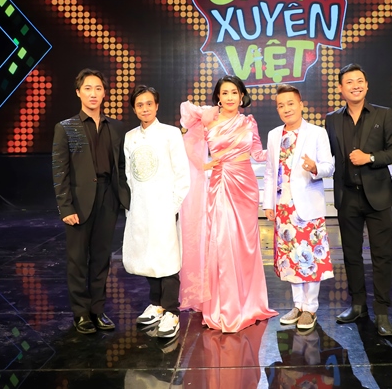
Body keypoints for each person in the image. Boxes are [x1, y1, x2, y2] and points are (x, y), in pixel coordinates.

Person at [179, 75, 277, 332]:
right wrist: (204, 165)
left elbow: (257, 154)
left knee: (246, 246)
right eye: (225, 93)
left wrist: (282, 148)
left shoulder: (249, 122)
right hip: (221, 184)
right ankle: (224, 308)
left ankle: (249, 303)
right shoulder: (208, 120)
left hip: (246, 187)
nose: (230, 97)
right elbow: (188, 145)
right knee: (223, 243)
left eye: (234, 92)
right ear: (218, 97)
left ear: (242, 95)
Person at [325, 63, 392, 337]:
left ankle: (382, 312)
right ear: (340, 89)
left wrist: (369, 157)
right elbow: (327, 155)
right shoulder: (332, 119)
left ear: (366, 86)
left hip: (377, 196)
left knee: (382, 255)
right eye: (349, 82)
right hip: (347, 196)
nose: (355, 85)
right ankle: (358, 305)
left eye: (360, 81)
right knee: (351, 254)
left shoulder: (383, 114)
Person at [52, 68, 131, 334]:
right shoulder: (67, 128)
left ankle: (98, 310)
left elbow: (121, 166)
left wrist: (122, 198)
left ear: (105, 93)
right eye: (88, 88)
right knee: (77, 260)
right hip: (79, 201)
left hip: (108, 198)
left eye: (98, 88)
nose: (93, 93)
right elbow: (60, 170)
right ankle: (81, 314)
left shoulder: (116, 127)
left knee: (101, 258)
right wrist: (65, 206)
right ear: (78, 92)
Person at [262, 85, 335, 331]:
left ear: (301, 104)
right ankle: (298, 305)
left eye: (290, 103)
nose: (286, 109)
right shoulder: (274, 135)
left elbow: (329, 166)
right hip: (283, 207)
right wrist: (268, 203)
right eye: (281, 105)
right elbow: (270, 172)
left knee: (310, 257)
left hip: (307, 205)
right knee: (290, 258)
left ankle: (310, 308)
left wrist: (315, 168)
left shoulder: (317, 133)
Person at [121, 85, 190, 338]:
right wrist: (131, 207)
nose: (145, 109)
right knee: (147, 255)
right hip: (140, 206)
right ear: (134, 109)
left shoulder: (171, 134)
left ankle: (171, 311)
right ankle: (156, 304)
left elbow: (182, 174)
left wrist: (173, 206)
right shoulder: (129, 137)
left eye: (149, 103)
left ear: (157, 105)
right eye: (139, 105)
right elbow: (129, 175)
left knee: (167, 257)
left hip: (164, 207)